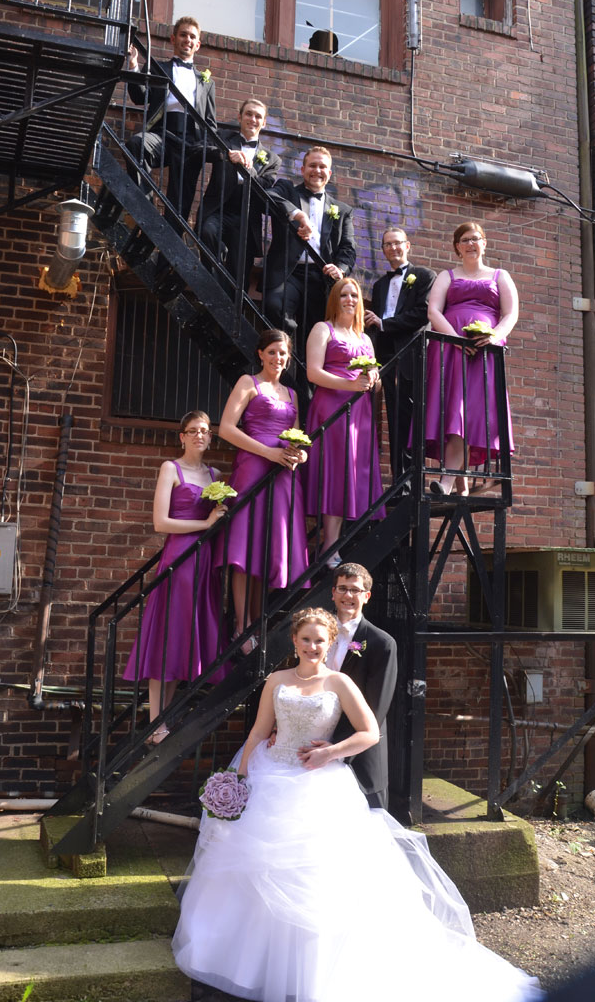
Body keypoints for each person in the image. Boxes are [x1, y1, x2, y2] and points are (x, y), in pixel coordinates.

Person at [172, 607, 544, 1002]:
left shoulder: (340, 682)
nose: (313, 646)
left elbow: (369, 732)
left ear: (330, 643)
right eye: (306, 639)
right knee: (248, 870)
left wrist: (331, 752)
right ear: (294, 641)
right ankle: (249, 962)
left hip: (317, 785)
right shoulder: (276, 681)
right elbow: (259, 732)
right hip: (269, 776)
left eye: (320, 640)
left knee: (317, 878)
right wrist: (240, 778)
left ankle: (310, 972)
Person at [123, 411, 228, 744]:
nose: (200, 435)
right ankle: (155, 721)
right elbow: (160, 522)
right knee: (167, 637)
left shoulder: (216, 475)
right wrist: (205, 524)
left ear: (211, 438)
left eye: (205, 431)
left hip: (205, 561)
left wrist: (219, 519)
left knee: (184, 637)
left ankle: (163, 719)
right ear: (181, 436)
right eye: (193, 430)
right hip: (179, 558)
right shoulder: (171, 468)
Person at [217, 329, 309, 645]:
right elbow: (227, 429)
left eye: (282, 353)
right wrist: (267, 451)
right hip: (254, 468)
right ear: (260, 354)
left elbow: (295, 435)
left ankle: (258, 621)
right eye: (272, 352)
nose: (277, 358)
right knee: (246, 547)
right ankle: (240, 626)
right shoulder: (248, 383)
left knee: (272, 546)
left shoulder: (293, 394)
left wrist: (300, 453)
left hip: (284, 474)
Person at [425, 221, 518, 496]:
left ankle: (449, 481)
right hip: (451, 352)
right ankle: (456, 482)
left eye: (475, 238)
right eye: (464, 239)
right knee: (454, 411)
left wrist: (494, 337)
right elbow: (433, 311)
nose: (470, 243)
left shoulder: (500, 275)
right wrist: (454, 339)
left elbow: (510, 314)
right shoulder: (447, 276)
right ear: (457, 247)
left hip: (484, 355)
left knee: (473, 413)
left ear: (484, 243)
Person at [305, 277, 384, 567]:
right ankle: (330, 547)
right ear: (335, 300)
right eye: (344, 295)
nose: (350, 299)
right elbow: (313, 373)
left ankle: (335, 544)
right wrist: (349, 385)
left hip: (360, 413)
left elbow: (375, 385)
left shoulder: (365, 339)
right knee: (335, 473)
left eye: (354, 296)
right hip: (332, 410)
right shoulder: (322, 329)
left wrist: (374, 379)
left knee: (351, 473)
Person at [126, 16, 217, 223]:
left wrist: (203, 146)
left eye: (192, 36)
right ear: (173, 39)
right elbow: (140, 96)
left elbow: (210, 122)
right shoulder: (160, 69)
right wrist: (133, 66)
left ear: (198, 44)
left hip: (190, 142)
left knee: (180, 206)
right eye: (183, 34)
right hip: (162, 133)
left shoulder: (207, 82)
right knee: (136, 144)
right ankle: (145, 209)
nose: (188, 39)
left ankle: (167, 254)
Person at [365, 227, 435, 485]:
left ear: (408, 246)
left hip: (414, 356)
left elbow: (422, 313)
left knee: (415, 417)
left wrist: (384, 323)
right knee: (395, 417)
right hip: (388, 359)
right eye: (387, 245)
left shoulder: (425, 275)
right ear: (383, 250)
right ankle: (400, 481)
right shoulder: (380, 284)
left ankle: (415, 480)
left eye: (397, 243)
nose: (393, 248)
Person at [263, 146, 356, 340]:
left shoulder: (342, 210)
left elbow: (348, 248)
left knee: (314, 334)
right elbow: (268, 196)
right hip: (288, 272)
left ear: (329, 173)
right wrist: (297, 214)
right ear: (302, 169)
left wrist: (340, 269)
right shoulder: (287, 190)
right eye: (312, 165)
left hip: (320, 278)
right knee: (275, 307)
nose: (317, 170)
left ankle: (305, 367)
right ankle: (286, 347)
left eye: (322, 167)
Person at [326, 561, 397, 809]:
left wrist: (337, 750)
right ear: (333, 593)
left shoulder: (381, 643)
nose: (348, 595)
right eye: (343, 588)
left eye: (355, 590)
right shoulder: (316, 635)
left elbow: (376, 709)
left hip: (359, 752)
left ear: (366, 596)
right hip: (315, 741)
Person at [197, 98, 281, 288]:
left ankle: (227, 305)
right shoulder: (224, 137)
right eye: (249, 114)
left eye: (258, 116)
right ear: (240, 117)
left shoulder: (272, 159)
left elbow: (265, 186)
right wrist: (225, 155)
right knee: (207, 231)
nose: (253, 119)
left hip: (246, 215)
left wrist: (247, 169)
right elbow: (199, 149)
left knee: (238, 271)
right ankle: (211, 285)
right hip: (218, 207)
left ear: (264, 122)